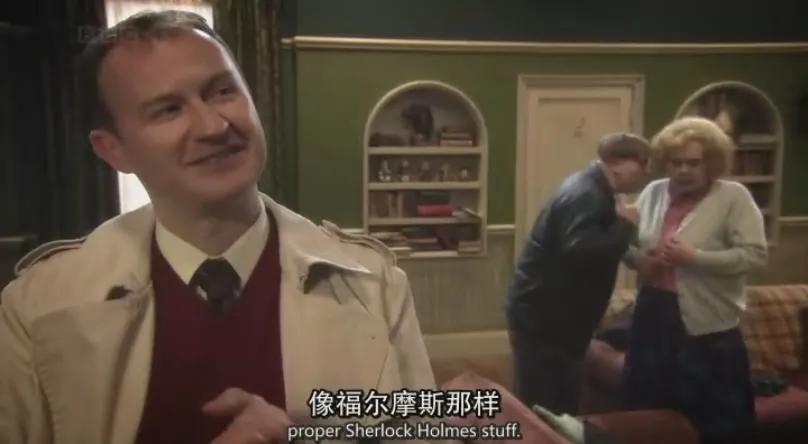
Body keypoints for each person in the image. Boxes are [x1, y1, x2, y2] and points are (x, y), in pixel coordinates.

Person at [0, 11, 436, 444]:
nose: (214, 126)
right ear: (114, 150)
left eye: (223, 91)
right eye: (168, 110)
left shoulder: (375, 283)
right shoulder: (35, 307)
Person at [620, 116, 767, 443]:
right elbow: (628, 244)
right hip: (653, 316)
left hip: (708, 328)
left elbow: (755, 256)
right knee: (647, 413)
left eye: (694, 162)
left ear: (711, 163)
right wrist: (639, 260)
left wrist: (695, 258)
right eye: (677, 162)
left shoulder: (733, 198)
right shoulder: (653, 193)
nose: (684, 170)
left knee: (715, 420)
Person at [505, 133, 650, 415]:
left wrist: (632, 255)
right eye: (642, 163)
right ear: (616, 162)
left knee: (548, 400)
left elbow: (589, 238)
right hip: (548, 320)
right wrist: (624, 225)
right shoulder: (588, 194)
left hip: (547, 314)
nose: (646, 172)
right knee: (547, 406)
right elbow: (580, 251)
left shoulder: (591, 187)